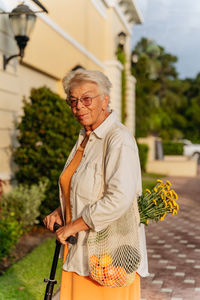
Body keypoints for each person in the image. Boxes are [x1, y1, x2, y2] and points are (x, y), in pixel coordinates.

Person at [43, 69, 149, 300]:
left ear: (105, 100)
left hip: (109, 259)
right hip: (80, 254)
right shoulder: (85, 138)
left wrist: (73, 225)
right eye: (73, 101)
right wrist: (61, 211)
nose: (79, 106)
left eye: (86, 99)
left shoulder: (118, 138)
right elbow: (83, 188)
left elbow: (119, 198)